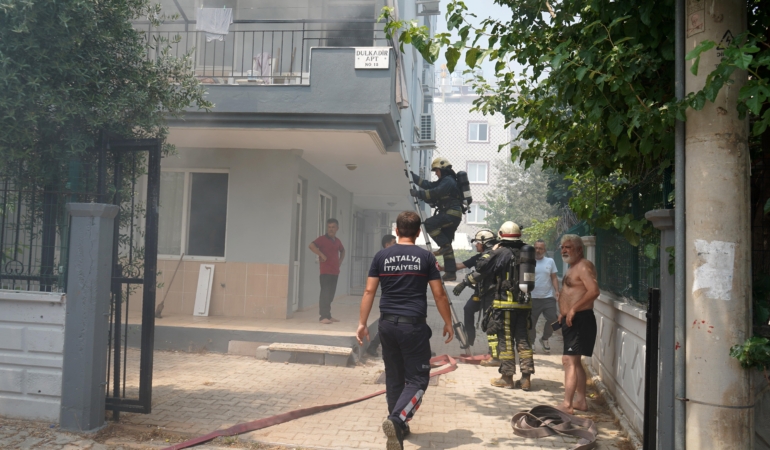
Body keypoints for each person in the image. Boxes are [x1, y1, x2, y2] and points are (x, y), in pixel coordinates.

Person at [356, 211, 454, 450]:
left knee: (394, 376)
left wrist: (361, 323)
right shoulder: (426, 257)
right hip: (413, 326)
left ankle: (399, 428)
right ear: (419, 232)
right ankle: (397, 419)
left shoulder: (382, 256)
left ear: (397, 230)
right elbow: (439, 293)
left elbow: (369, 292)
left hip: (387, 325)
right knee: (418, 378)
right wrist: (448, 322)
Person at [464, 221, 535, 390]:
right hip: (524, 304)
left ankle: (507, 377)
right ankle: (526, 378)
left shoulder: (502, 252)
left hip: (505, 304)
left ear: (502, 234)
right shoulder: (527, 251)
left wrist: (491, 253)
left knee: (505, 340)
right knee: (523, 340)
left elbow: (481, 266)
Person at [556, 234, 599, 414]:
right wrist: (564, 312)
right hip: (572, 320)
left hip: (581, 319)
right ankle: (580, 401)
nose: (564, 250)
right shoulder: (572, 267)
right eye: (562, 247)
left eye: (569, 247)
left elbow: (594, 291)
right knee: (575, 362)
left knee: (569, 361)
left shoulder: (583, 266)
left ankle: (567, 405)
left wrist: (573, 309)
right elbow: (572, 292)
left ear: (580, 249)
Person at [445, 229, 500, 366]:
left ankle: (494, 353)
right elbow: (460, 266)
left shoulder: (493, 258)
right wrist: (439, 267)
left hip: (492, 296)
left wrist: (463, 284)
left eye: (477, 243)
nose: (475, 245)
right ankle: (469, 338)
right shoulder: (479, 258)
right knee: (468, 309)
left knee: (491, 325)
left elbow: (480, 274)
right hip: (480, 294)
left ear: (484, 243)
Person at [408, 157, 464, 282]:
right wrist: (413, 177)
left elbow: (436, 192)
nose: (436, 173)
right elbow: (429, 185)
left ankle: (443, 245)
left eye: (437, 171)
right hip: (452, 214)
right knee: (448, 247)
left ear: (443, 169)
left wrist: (419, 194)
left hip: (451, 213)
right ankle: (450, 273)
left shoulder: (448, 181)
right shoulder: (444, 180)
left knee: (429, 224)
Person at [308, 218, 345, 324]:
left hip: (335, 272)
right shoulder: (322, 239)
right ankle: (323, 317)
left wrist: (340, 260)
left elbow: (343, 250)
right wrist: (321, 254)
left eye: (333, 227)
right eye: (329, 227)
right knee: (325, 294)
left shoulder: (337, 241)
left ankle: (328, 316)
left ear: (337, 228)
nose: (331, 229)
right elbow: (311, 246)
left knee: (330, 295)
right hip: (325, 272)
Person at [366, 234, 397, 357]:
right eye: (394, 243)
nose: (397, 245)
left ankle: (422, 348)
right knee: (386, 326)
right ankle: (373, 346)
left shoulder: (394, 258)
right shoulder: (382, 258)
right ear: (387, 245)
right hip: (390, 298)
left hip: (398, 297)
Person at [528, 239, 561, 353]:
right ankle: (531, 342)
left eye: (540, 248)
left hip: (548, 297)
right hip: (532, 297)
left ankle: (545, 339)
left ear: (544, 250)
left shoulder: (550, 261)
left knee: (554, 320)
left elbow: (554, 277)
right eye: (536, 248)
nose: (538, 250)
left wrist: (557, 290)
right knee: (531, 322)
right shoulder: (529, 261)